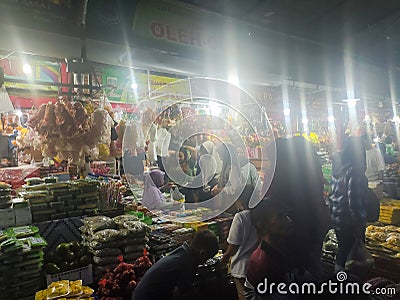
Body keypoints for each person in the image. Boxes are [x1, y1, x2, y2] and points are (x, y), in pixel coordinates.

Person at [261, 137, 331, 280]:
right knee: (310, 267)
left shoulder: (276, 173)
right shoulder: (306, 171)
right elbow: (317, 200)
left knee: (289, 271)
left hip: (286, 229)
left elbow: (267, 203)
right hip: (308, 227)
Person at [132, 230, 219, 300]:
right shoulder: (187, 263)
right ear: (202, 253)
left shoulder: (182, 252)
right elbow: (179, 294)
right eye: (207, 258)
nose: (204, 262)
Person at [329, 136, 368, 273]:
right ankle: (349, 287)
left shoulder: (338, 169)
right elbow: (355, 203)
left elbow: (332, 195)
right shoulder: (355, 171)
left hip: (338, 219)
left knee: (343, 251)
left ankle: (339, 283)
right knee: (353, 258)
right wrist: (360, 224)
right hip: (349, 221)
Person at [245, 198, 295, 298]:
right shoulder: (262, 262)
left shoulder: (280, 249)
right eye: (281, 217)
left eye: (286, 215)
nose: (289, 221)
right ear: (262, 225)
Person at [222, 186, 258, 300]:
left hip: (242, 267)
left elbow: (234, 243)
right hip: (257, 263)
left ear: (240, 199)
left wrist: (226, 256)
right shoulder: (259, 215)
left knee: (243, 296)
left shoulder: (241, 217)